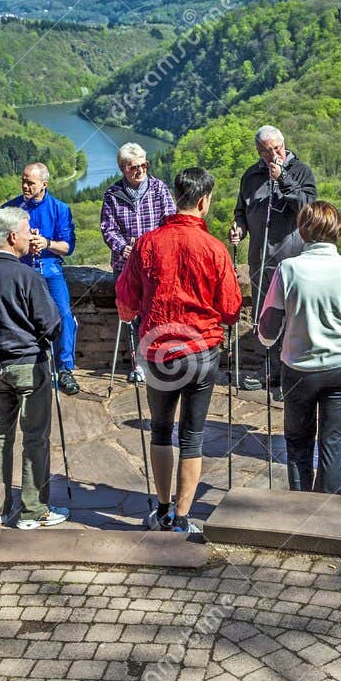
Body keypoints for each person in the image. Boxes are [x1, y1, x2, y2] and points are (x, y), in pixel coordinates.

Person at [116, 167, 243, 532]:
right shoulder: (215, 249)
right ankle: (184, 518)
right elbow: (232, 310)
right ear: (203, 202)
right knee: (192, 435)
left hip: (157, 350)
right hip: (202, 350)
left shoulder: (147, 244)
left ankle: (162, 507)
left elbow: (126, 303)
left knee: (160, 430)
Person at [257, 201, 341, 494]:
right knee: (333, 444)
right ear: (338, 231)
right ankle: (330, 514)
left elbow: (268, 331)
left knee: (298, 443)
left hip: (298, 369)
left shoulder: (288, 269)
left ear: (302, 230)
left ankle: (300, 511)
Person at [0, 207, 70, 529]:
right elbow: (52, 326)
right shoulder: (27, 276)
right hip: (28, 365)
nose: (29, 238)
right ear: (12, 237)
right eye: (26, 233)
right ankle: (33, 511)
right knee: (34, 437)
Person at [229, 125, 317, 391]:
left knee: (293, 315)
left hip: (292, 259)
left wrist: (283, 179)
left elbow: (308, 209)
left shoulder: (301, 172)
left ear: (284, 144)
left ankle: (294, 370)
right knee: (263, 316)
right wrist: (239, 228)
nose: (274, 154)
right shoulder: (251, 176)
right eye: (267, 152)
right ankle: (267, 369)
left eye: (277, 148)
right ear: (259, 152)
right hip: (259, 259)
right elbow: (241, 210)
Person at [2, 163, 81, 395]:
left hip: (49, 269)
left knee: (64, 315)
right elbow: (0, 244)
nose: (25, 186)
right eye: (23, 181)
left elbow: (67, 247)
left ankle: (64, 369)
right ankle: (19, 367)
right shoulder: (10, 209)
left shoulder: (60, 209)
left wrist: (46, 243)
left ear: (44, 184)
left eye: (30, 183)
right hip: (19, 269)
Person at [100, 143, 174, 383]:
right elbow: (107, 228)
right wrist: (123, 248)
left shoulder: (159, 188)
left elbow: (171, 221)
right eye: (134, 167)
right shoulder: (112, 194)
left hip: (155, 265)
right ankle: (138, 364)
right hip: (126, 267)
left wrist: (155, 247)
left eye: (144, 165)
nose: (141, 170)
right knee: (130, 316)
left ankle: (158, 359)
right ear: (123, 168)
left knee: (156, 313)